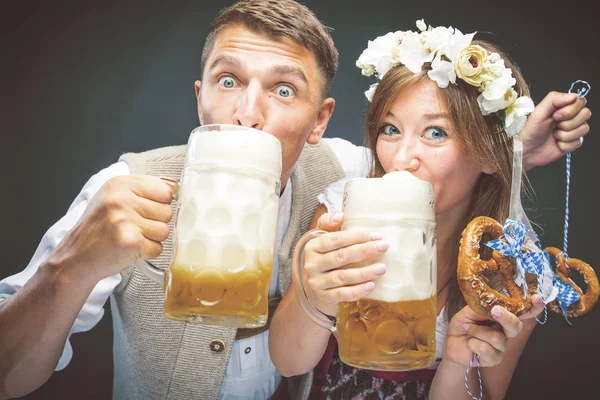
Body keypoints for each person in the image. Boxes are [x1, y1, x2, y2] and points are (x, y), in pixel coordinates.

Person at [0, 2, 589, 399]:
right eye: (229, 81)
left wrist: (515, 149)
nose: (248, 115)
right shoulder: (123, 190)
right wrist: (65, 269)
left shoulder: (349, 173)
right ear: (201, 97)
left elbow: (433, 170)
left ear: (319, 121)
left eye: (284, 90)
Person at [268, 21, 591, 400]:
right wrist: (314, 296)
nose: (402, 158)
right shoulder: (343, 210)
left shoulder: (512, 269)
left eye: (435, 133)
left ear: (487, 153)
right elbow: (287, 363)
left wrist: (457, 362)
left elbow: (487, 393)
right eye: (389, 129)